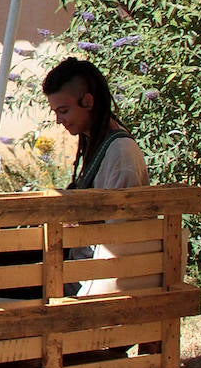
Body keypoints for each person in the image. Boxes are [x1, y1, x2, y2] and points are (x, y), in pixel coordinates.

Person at [43, 57, 154, 295]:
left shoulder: (121, 155)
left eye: (63, 111)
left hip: (94, 280)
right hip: (80, 269)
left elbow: (119, 236)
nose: (59, 120)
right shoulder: (97, 141)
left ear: (88, 101)